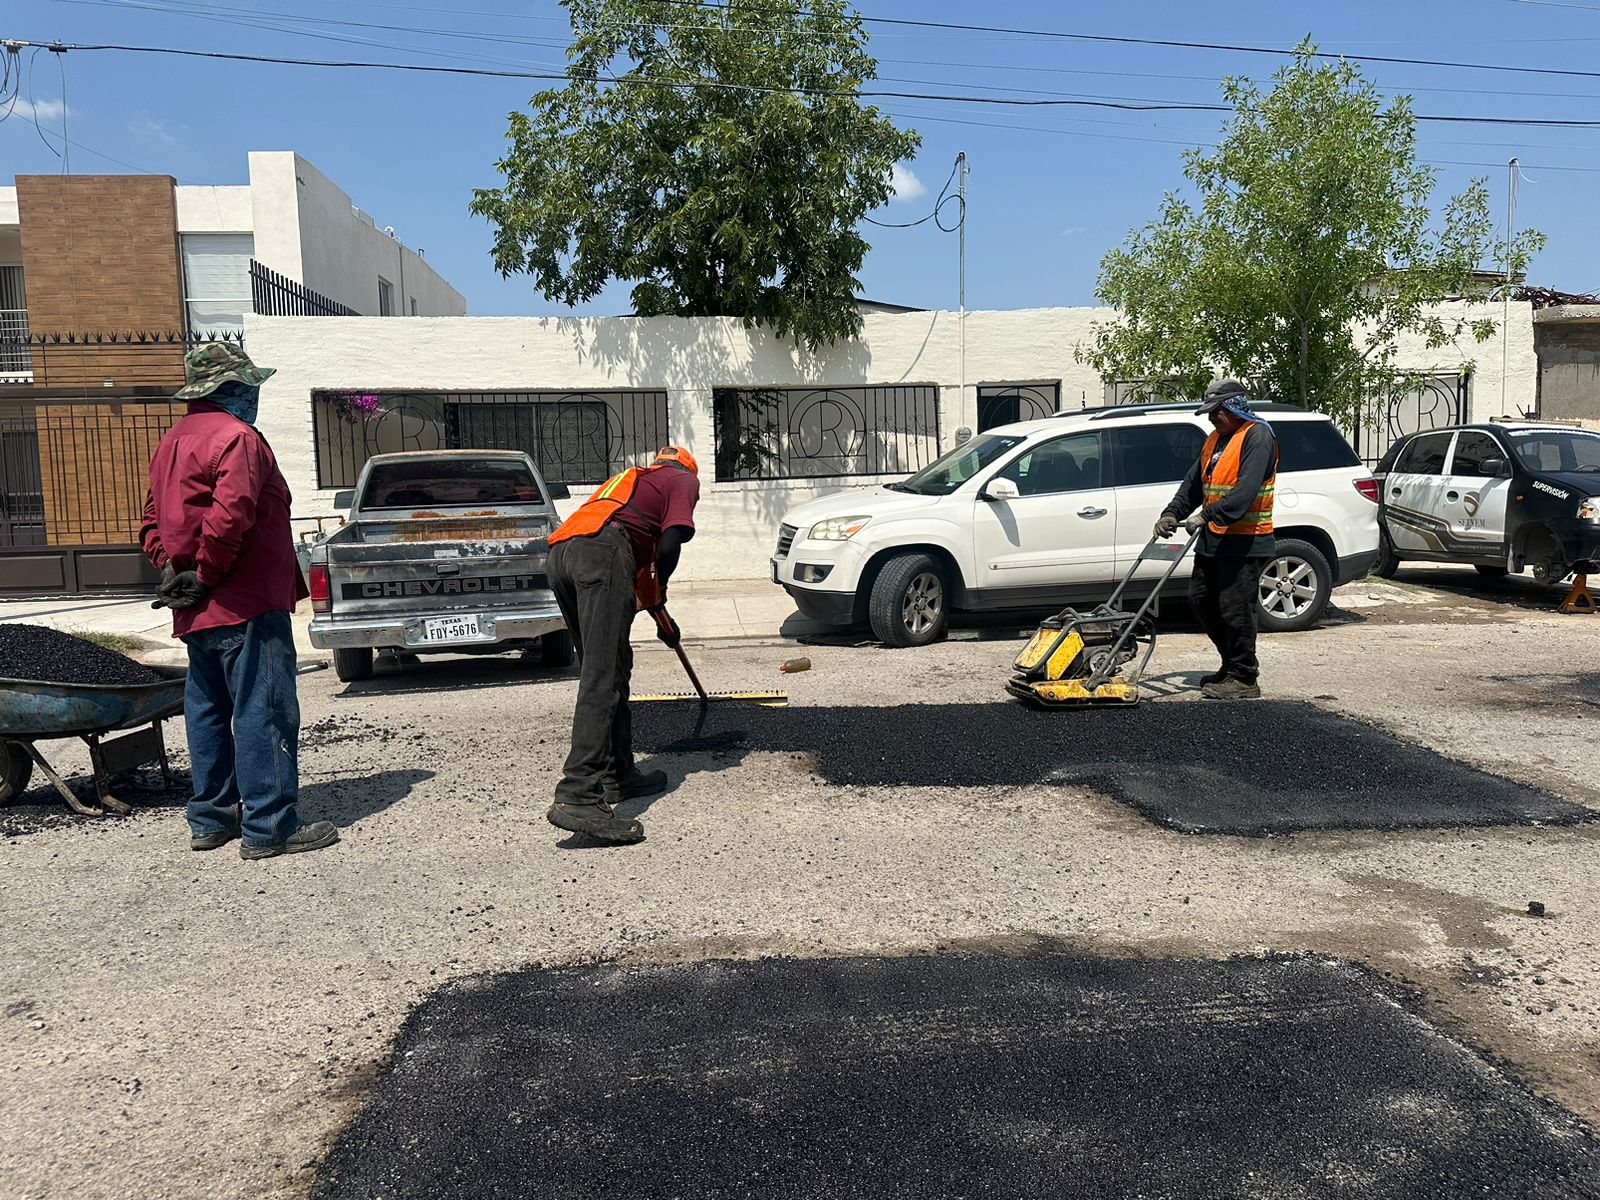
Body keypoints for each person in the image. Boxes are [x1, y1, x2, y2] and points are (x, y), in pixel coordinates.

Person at [141, 343, 339, 860]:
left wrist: (174, 571)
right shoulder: (238, 439)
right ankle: (270, 826)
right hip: (245, 601)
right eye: (249, 388)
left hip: (198, 608)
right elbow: (231, 517)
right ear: (230, 391)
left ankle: (211, 819)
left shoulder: (171, 444)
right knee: (263, 708)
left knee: (207, 709)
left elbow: (150, 521)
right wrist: (204, 575)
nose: (255, 397)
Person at [544, 446, 701, 844]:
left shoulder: (633, 484)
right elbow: (667, 547)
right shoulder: (682, 478)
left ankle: (618, 773)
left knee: (612, 664)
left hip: (563, 553)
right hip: (602, 552)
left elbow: (642, 575)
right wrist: (661, 590)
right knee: (603, 674)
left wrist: (662, 618)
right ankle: (578, 793)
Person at [1154, 379, 1279, 701]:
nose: (1211, 418)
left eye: (1217, 412)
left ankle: (1244, 676)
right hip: (1215, 539)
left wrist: (1207, 516)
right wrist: (1171, 513)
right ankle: (1231, 665)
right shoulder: (1214, 440)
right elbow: (1193, 485)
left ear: (1234, 408)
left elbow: (1244, 492)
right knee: (1201, 600)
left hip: (1246, 539)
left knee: (1235, 608)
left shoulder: (1258, 436)